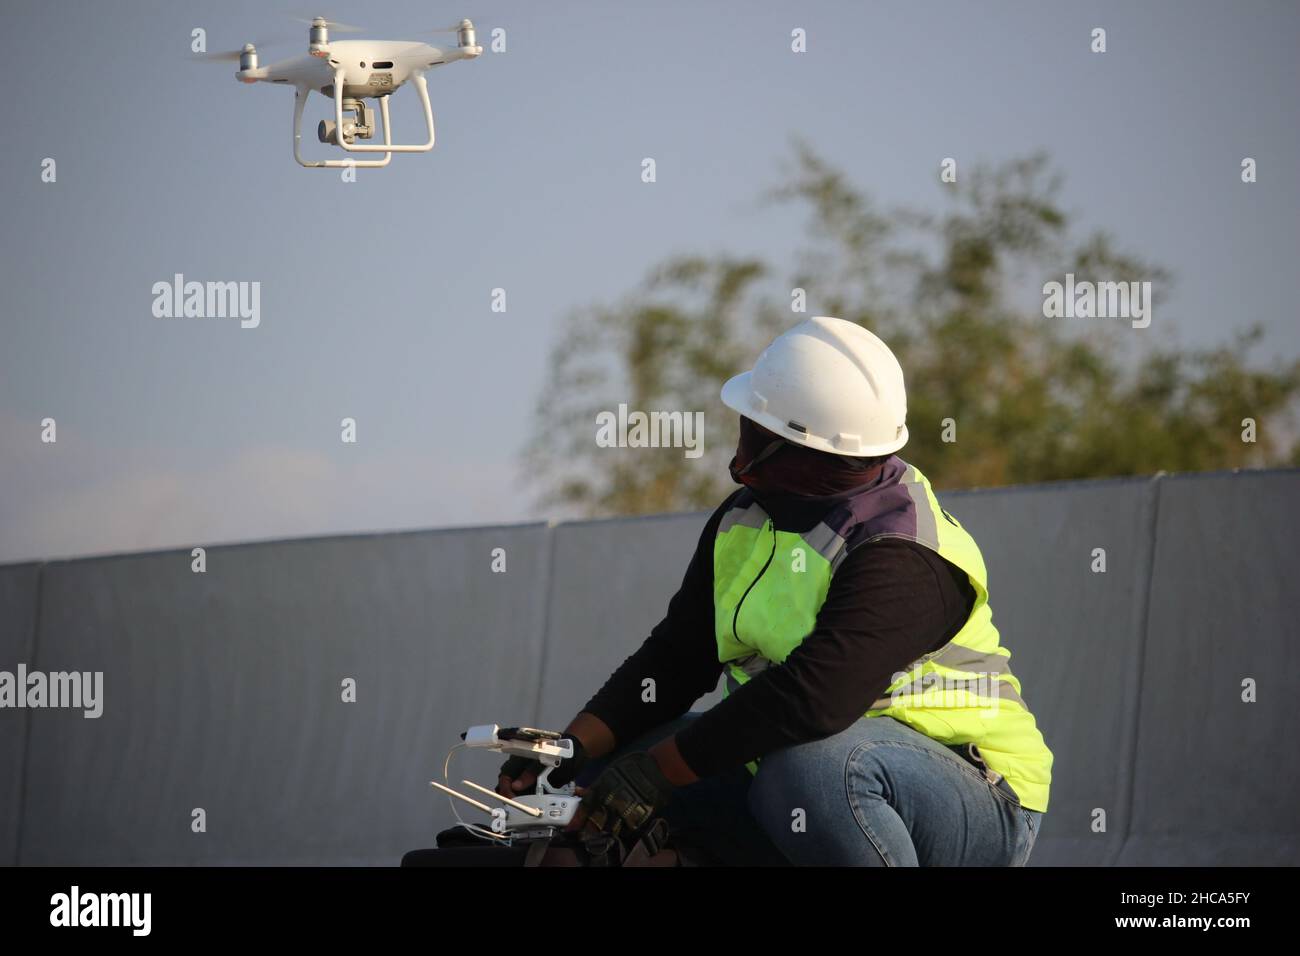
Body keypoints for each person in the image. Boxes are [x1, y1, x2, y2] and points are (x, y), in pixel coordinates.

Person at [498, 316, 1053, 866]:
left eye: (755, 427)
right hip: (798, 759)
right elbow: (676, 660)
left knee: (806, 771)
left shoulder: (904, 550)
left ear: (796, 449)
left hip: (974, 790)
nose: (741, 440)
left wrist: (658, 775)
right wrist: (571, 752)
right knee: (612, 772)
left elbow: (815, 698)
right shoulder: (744, 519)